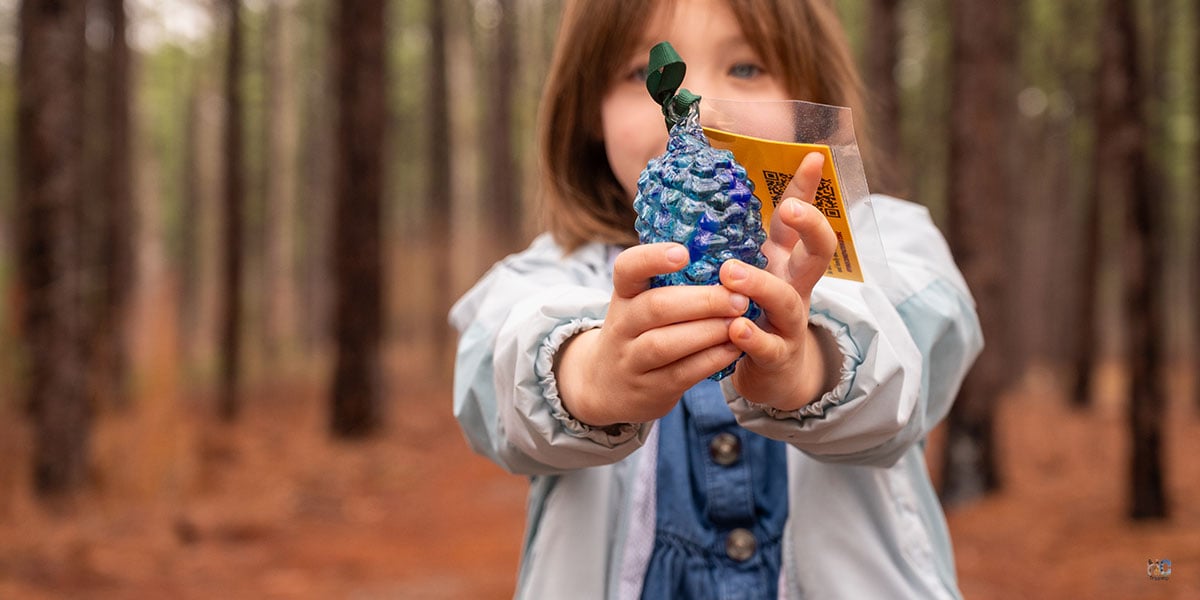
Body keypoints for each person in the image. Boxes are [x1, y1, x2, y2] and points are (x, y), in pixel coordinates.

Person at [450, 0, 983, 598]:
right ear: (587, 114)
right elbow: (490, 365)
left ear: (811, 97)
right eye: (639, 73)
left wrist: (810, 359)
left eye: (747, 68)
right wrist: (584, 375)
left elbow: (927, 338)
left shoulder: (877, 241)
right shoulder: (558, 271)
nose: (696, 104)